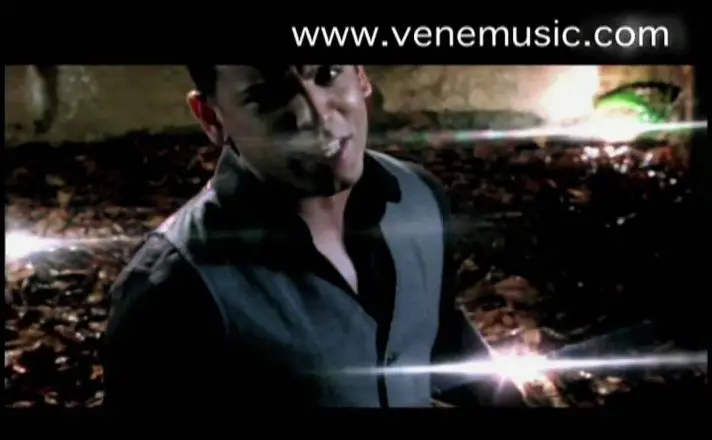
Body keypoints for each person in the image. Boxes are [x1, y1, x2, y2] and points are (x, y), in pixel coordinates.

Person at [103, 65, 524, 410]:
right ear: (211, 118)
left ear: (360, 73)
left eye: (326, 72)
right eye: (267, 96)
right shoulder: (172, 290)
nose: (313, 114)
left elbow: (438, 331)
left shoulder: (418, 197)